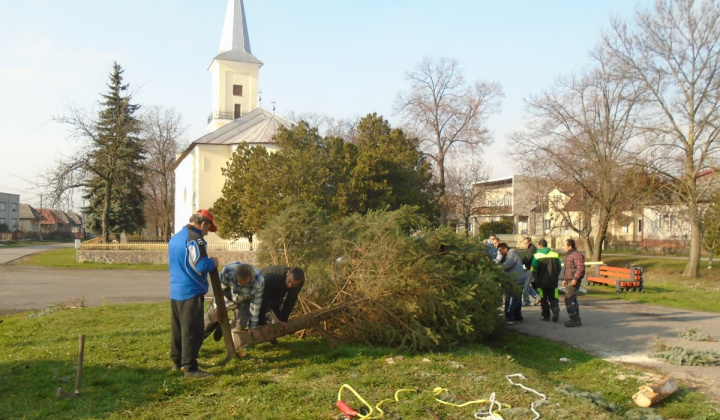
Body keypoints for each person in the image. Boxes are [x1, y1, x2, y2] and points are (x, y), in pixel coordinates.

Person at [168, 209, 219, 378]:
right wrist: (213, 262)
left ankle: (178, 360)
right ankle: (190, 367)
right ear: (203, 224)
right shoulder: (195, 240)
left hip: (176, 289)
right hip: (191, 289)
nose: (206, 234)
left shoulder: (176, 238)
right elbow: (201, 265)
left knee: (178, 327)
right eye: (207, 229)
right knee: (193, 330)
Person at [204, 261, 266, 341]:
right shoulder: (227, 271)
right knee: (210, 318)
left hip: (245, 300)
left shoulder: (259, 281)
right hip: (227, 295)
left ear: (251, 278)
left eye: (245, 284)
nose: (242, 285)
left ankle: (223, 328)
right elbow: (218, 290)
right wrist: (217, 308)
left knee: (239, 326)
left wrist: (253, 327)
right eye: (239, 283)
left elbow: (255, 305)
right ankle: (194, 340)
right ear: (236, 275)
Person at [259, 265, 305, 334]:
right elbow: (263, 300)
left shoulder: (300, 281)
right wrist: (262, 323)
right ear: (288, 273)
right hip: (261, 292)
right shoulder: (271, 277)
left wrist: (284, 319)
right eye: (289, 281)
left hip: (277, 296)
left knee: (280, 321)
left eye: (294, 285)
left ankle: (272, 337)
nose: (290, 286)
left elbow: (291, 299)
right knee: (261, 318)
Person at [497, 243, 532, 325]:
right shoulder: (513, 253)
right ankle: (518, 317)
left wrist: (496, 266)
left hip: (515, 280)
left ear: (505, 249)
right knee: (517, 299)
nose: (500, 253)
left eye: (500, 251)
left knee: (511, 299)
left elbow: (505, 266)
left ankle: (509, 317)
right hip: (518, 279)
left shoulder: (511, 255)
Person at [530, 238, 563, 323]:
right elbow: (559, 267)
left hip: (541, 280)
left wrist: (534, 275)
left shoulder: (536, 256)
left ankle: (546, 316)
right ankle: (555, 308)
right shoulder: (555, 254)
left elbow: (533, 268)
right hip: (553, 280)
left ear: (540, 246)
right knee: (553, 297)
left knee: (543, 299)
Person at [562, 239, 585, 327]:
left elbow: (580, 268)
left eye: (564, 245)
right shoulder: (570, 255)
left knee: (568, 299)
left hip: (574, 281)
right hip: (569, 280)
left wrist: (575, 279)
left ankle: (574, 318)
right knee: (573, 300)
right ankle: (576, 318)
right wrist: (565, 279)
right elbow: (568, 269)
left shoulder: (576, 255)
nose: (563, 247)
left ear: (570, 246)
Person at [521, 237, 540, 306]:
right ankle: (537, 297)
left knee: (525, 286)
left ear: (530, 242)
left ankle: (527, 302)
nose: (525, 245)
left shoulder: (532, 249)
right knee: (525, 285)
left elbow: (527, 259)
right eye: (524, 243)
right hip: (530, 269)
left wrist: (519, 262)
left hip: (531, 269)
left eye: (526, 243)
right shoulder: (530, 248)